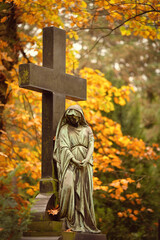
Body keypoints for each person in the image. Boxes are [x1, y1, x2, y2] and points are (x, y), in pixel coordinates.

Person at [53, 105, 100, 233]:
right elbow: (63, 147)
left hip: (85, 165)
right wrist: (73, 160)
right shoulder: (64, 129)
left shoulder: (87, 129)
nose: (73, 119)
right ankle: (70, 219)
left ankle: (84, 223)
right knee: (68, 186)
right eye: (70, 117)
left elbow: (91, 145)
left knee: (84, 193)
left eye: (75, 117)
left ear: (80, 116)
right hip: (70, 163)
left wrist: (86, 160)